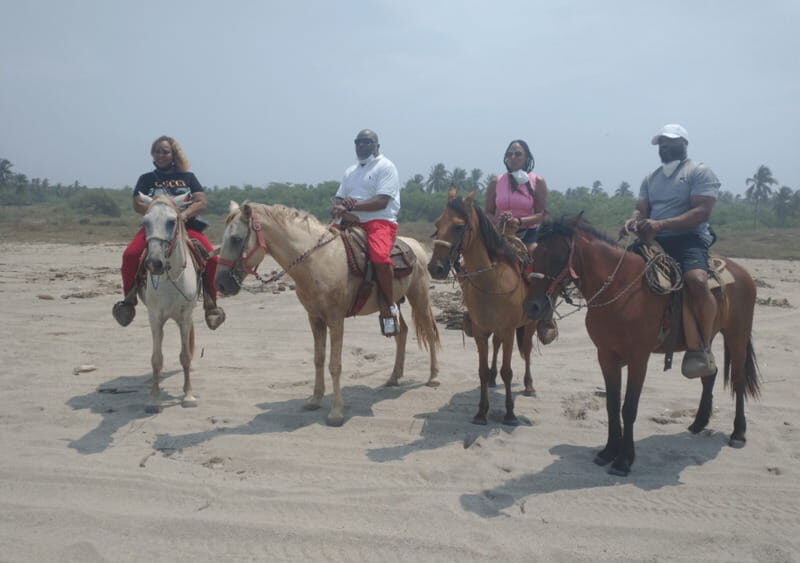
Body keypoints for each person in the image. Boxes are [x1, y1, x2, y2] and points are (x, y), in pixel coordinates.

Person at [621, 124, 720, 377]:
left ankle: (703, 346)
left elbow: (702, 211)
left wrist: (661, 224)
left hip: (688, 239)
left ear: (684, 144)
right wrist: (633, 221)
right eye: (661, 143)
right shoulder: (651, 178)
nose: (664, 147)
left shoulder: (699, 171)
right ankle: (622, 336)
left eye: (670, 142)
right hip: (653, 240)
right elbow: (641, 208)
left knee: (697, 281)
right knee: (618, 274)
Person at [112, 135, 225, 330]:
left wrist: (183, 215)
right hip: (156, 227)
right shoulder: (146, 179)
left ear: (173, 154)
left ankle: (211, 304)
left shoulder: (188, 177)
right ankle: (128, 301)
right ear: (152, 154)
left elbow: (201, 201)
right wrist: (158, 212)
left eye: (165, 152)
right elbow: (137, 203)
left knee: (213, 260)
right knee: (130, 255)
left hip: (185, 226)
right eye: (157, 151)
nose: (161, 155)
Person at [484, 139, 557, 345]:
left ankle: (545, 317)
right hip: (500, 234)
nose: (513, 157)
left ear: (527, 158)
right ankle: (471, 312)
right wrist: (499, 220)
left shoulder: (536, 181)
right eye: (510, 154)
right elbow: (487, 212)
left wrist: (519, 221)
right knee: (472, 261)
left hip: (528, 234)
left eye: (518, 154)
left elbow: (542, 213)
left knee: (540, 262)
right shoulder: (496, 181)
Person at [330, 129, 401, 336]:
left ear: (377, 145)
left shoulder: (386, 167)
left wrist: (352, 206)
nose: (361, 145)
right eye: (358, 142)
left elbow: (382, 201)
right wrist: (341, 207)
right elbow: (339, 197)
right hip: (348, 221)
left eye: (366, 142)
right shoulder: (350, 171)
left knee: (379, 258)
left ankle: (389, 304)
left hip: (378, 221)